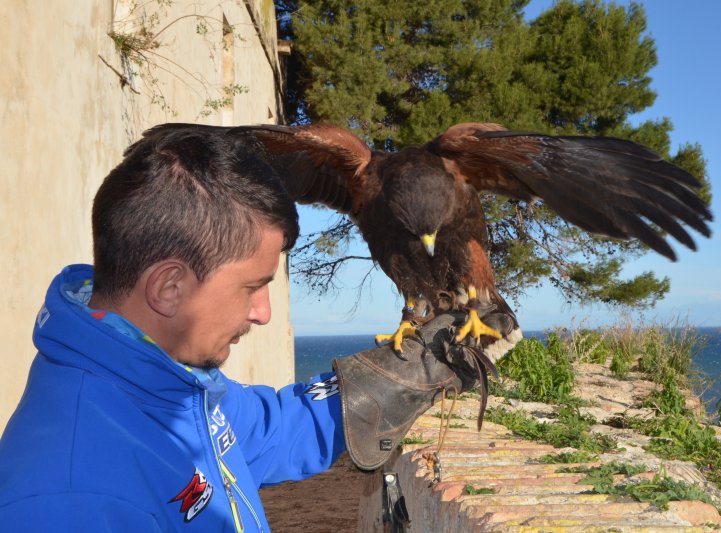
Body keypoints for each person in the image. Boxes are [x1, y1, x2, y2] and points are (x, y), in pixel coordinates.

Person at [0, 124, 510, 532]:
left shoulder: (166, 387)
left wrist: (403, 377)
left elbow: (271, 430)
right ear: (169, 287)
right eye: (252, 286)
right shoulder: (68, 500)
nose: (264, 313)